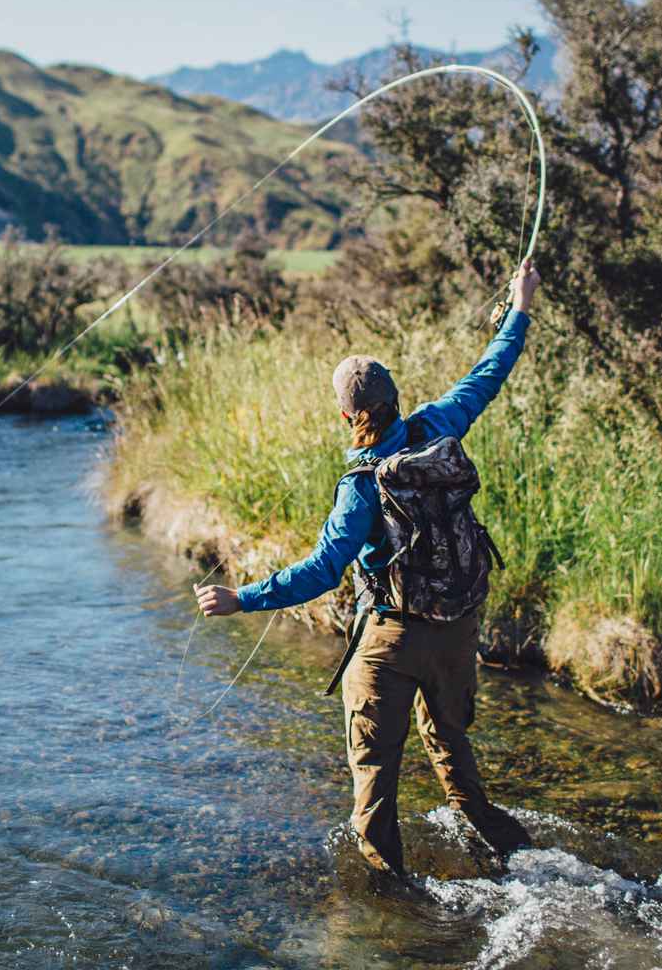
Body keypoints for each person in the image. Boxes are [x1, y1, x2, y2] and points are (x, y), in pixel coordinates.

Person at [195, 258, 541, 879]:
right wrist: (520, 305)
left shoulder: (360, 486)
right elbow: (490, 373)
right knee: (453, 754)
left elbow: (325, 570)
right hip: (459, 628)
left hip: (392, 640)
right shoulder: (439, 424)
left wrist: (240, 599)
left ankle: (391, 906)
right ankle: (514, 859)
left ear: (347, 415)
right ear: (395, 399)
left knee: (375, 781)